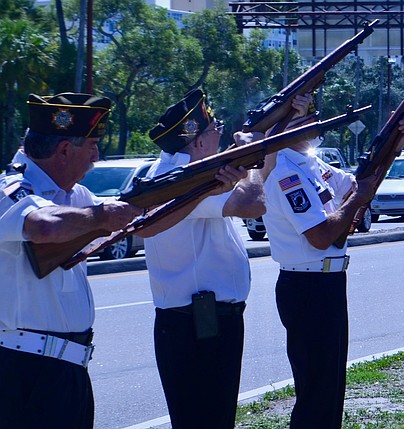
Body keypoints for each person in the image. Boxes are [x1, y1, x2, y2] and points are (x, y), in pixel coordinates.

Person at [262, 98, 404, 428]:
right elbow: (319, 236)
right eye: (305, 120)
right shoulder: (286, 174)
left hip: (327, 283)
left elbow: (364, 183)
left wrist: (393, 145)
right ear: (286, 129)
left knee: (330, 384)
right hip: (306, 286)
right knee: (315, 386)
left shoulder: (314, 165)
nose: (315, 123)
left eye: (315, 117)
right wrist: (357, 200)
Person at [0, 93, 141, 428]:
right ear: (64, 149)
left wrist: (201, 188)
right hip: (24, 370)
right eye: (92, 144)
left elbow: (136, 227)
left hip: (68, 369)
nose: (96, 155)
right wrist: (103, 215)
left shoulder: (76, 196)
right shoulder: (11, 187)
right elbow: (44, 227)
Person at [135, 88, 273, 428]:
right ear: (197, 142)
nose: (222, 133)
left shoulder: (172, 171)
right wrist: (249, 153)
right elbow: (253, 203)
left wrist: (254, 156)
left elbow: (253, 186)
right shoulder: (187, 180)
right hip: (200, 323)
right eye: (215, 129)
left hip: (197, 321)